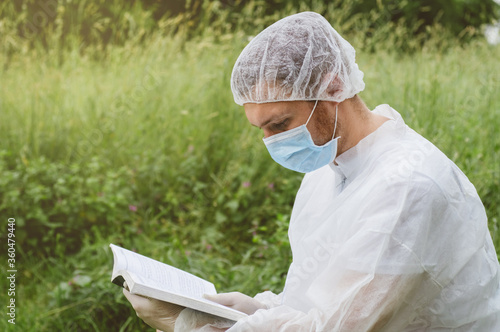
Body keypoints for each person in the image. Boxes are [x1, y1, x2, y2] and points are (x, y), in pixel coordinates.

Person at [123, 11, 500, 331]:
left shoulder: (407, 186)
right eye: (261, 130)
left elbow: (337, 326)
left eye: (280, 124)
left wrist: (186, 324)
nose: (270, 142)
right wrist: (250, 310)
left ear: (333, 86)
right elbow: (314, 302)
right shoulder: (328, 167)